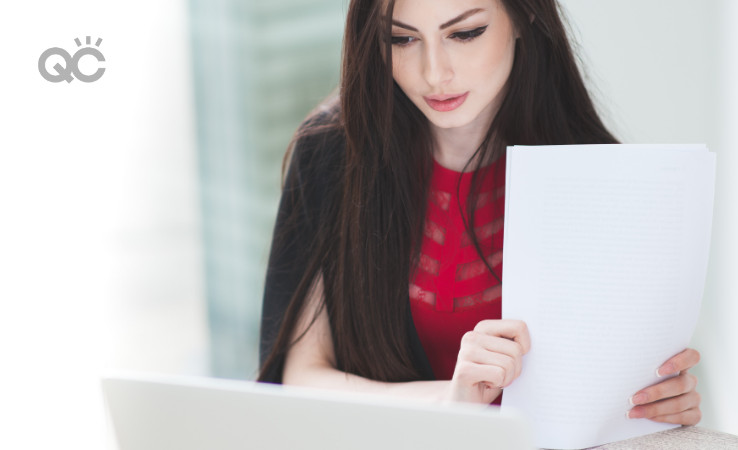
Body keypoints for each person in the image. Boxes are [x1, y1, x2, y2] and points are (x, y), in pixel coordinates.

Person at [257, 0, 702, 426]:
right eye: (401, 40)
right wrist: (453, 402)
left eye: (465, 33)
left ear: (525, 14)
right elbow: (299, 381)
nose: (435, 74)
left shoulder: (603, 178)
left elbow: (614, 387)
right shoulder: (333, 154)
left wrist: (655, 403)